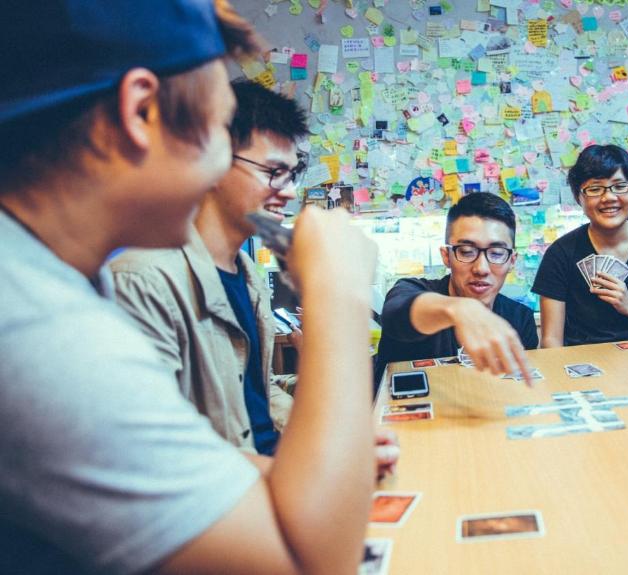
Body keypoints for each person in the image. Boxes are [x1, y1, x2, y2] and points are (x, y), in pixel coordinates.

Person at [0, 3, 378, 573]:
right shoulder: (38, 329)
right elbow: (312, 565)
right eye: (218, 128)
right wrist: (337, 290)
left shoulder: (56, 280)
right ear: (142, 112)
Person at [110, 80, 304, 456]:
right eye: (273, 171)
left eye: (292, 174)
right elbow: (158, 452)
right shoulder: (143, 282)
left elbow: (257, 396)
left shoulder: (249, 277)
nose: (289, 191)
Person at [532, 144, 628, 347]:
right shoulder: (560, 253)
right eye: (595, 189)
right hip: (584, 363)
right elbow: (551, 340)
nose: (609, 197)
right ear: (578, 197)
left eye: (620, 186)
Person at [374, 192, 538, 385]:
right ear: (446, 256)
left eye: (496, 253)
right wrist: (458, 309)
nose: (481, 268)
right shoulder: (412, 289)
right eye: (466, 252)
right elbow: (396, 311)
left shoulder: (520, 319)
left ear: (512, 261)